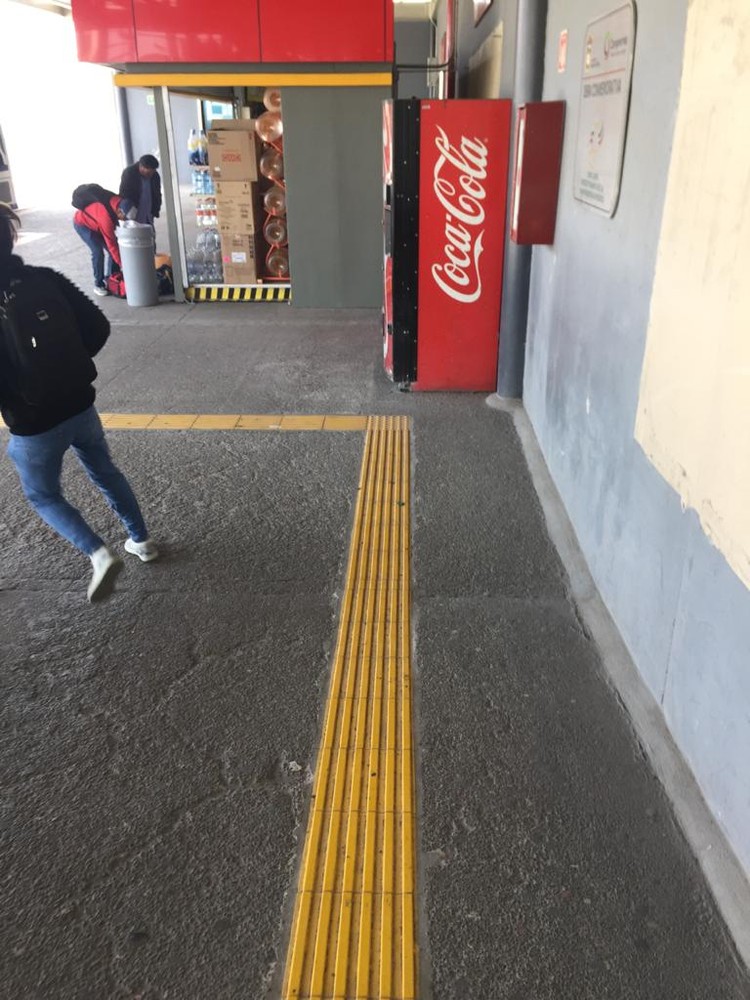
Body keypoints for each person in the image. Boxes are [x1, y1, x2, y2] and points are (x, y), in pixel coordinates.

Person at [0, 203, 159, 603]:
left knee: (43, 495)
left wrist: (22, 393)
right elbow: (98, 326)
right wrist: (68, 368)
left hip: (33, 423)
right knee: (104, 470)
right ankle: (142, 541)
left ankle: (99, 554)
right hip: (79, 405)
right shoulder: (45, 279)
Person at [73, 193, 135, 297]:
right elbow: (112, 245)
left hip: (96, 223)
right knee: (98, 252)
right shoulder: (106, 218)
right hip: (83, 224)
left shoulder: (119, 202)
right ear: (119, 212)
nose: (125, 221)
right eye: (124, 218)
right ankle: (98, 284)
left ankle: (111, 279)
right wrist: (123, 265)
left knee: (114, 252)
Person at [119, 154, 162, 227]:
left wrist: (156, 209)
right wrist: (128, 213)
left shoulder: (155, 176)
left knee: (148, 232)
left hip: (148, 214)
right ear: (141, 167)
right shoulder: (129, 173)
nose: (151, 175)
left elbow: (157, 194)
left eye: (153, 172)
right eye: (148, 173)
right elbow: (124, 195)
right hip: (132, 214)